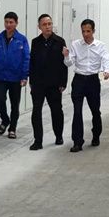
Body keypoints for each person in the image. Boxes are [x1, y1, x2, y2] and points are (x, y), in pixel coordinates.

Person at [63, 19, 109, 153]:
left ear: (93, 31)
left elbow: (106, 59)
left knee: (95, 110)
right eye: (83, 31)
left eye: (88, 31)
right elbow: (69, 63)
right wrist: (66, 56)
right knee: (77, 111)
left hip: (92, 81)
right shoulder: (76, 44)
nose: (85, 34)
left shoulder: (100, 46)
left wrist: (107, 71)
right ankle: (77, 141)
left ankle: (96, 134)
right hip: (79, 80)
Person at [28, 14, 68, 150]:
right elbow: (32, 63)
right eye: (44, 24)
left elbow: (64, 63)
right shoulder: (35, 42)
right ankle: (38, 140)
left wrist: (63, 82)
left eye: (49, 24)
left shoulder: (60, 41)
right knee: (36, 111)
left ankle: (59, 135)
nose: (47, 27)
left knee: (56, 111)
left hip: (54, 84)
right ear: (39, 27)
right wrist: (31, 81)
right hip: (38, 83)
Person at [0, 11, 30, 139]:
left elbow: (26, 59)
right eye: (6, 22)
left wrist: (24, 76)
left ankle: (12, 128)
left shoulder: (21, 40)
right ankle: (5, 120)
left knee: (14, 104)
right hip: (0, 77)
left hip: (16, 78)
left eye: (11, 22)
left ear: (16, 23)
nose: (8, 24)